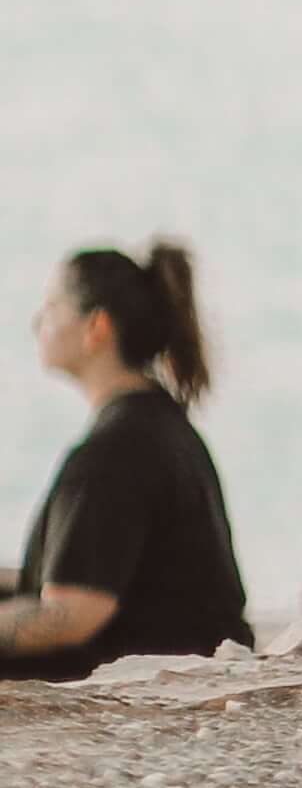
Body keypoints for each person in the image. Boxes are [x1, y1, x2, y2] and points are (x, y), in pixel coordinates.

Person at [10, 244, 253, 681]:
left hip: (149, 680)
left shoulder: (115, 451)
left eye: (51, 308)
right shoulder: (155, 424)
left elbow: (70, 616)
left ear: (96, 328)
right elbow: (71, 578)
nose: (36, 323)